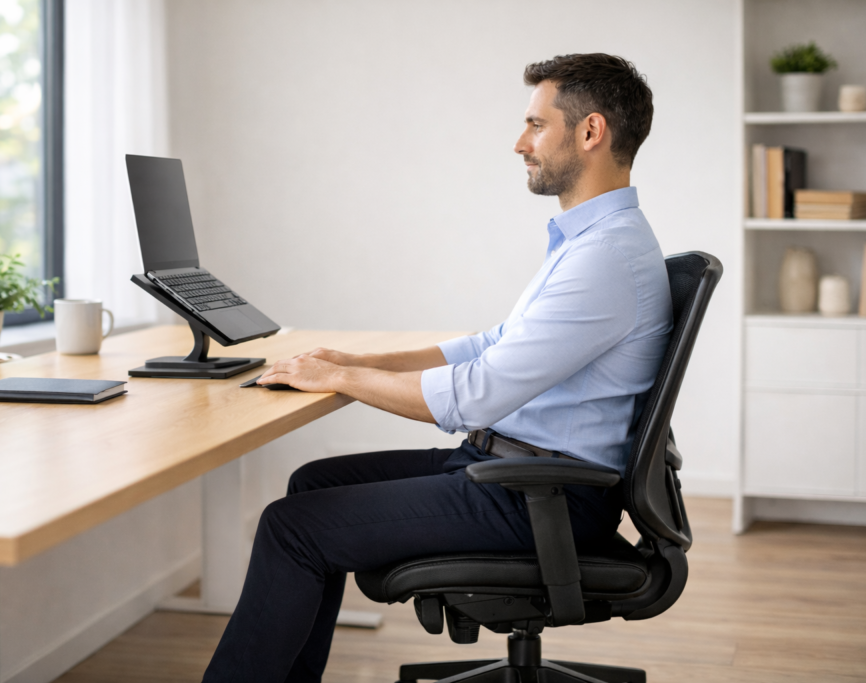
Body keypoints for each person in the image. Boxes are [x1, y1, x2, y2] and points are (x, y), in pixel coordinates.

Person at [201, 53, 672, 683]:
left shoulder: (606, 257)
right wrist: (356, 361)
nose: (519, 143)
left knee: (292, 529)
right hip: (514, 468)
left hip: (542, 497)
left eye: (536, 125)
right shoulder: (593, 241)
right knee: (312, 486)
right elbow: (492, 344)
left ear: (590, 132)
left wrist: (341, 380)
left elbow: (473, 397)